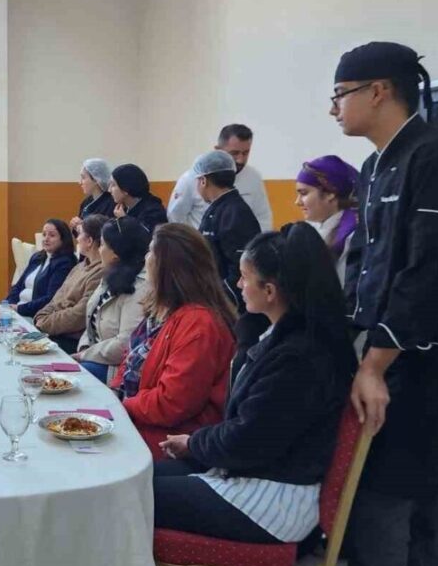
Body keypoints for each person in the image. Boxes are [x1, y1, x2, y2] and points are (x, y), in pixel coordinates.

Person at [330, 41, 438, 566]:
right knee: (419, 486)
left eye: (340, 95)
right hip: (389, 348)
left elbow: (427, 271)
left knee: (383, 491)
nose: (334, 107)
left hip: (435, 354)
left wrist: (376, 365)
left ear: (378, 91)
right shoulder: (374, 164)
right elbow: (365, 268)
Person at [154, 223, 357, 545]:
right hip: (253, 474)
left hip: (273, 500)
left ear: (270, 291)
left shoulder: (299, 358)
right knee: (145, 475)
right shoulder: (281, 336)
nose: (238, 284)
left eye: (244, 277)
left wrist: (194, 443)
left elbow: (248, 439)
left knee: (134, 495)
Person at [111, 223, 236, 459]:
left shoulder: (199, 323)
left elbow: (172, 404)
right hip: (141, 420)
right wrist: (114, 394)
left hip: (172, 438)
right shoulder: (162, 307)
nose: (146, 258)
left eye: (151, 252)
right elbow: (129, 360)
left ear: (166, 266)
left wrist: (122, 405)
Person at [74, 217, 151, 384]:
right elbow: (90, 323)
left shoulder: (141, 287)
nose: (99, 250)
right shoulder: (111, 274)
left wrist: (84, 356)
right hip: (95, 358)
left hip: (120, 369)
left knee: (72, 378)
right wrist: (83, 349)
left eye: (102, 244)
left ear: (116, 253)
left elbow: (126, 344)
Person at [167, 124, 274, 231]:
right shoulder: (192, 178)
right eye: (234, 153)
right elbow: (175, 216)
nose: (240, 160)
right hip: (200, 244)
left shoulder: (253, 177)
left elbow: (263, 217)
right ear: (218, 150)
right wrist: (192, 242)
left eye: (246, 153)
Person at [194, 150, 262, 313]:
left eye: (197, 180)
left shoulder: (235, 213)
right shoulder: (219, 209)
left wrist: (222, 300)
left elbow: (240, 267)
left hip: (230, 305)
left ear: (203, 181)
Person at [34, 214, 108, 353]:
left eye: (79, 234)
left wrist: (44, 322)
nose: (77, 239)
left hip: (71, 342)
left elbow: (79, 315)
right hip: (52, 330)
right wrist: (41, 317)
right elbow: (56, 300)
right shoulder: (79, 267)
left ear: (90, 241)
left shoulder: (100, 273)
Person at [295, 155, 360, 283]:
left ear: (330, 193)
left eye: (304, 193)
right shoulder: (311, 229)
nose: (297, 202)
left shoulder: (351, 237)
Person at [5, 219, 78, 317]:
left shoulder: (65, 263)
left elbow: (51, 299)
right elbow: (18, 286)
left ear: (63, 239)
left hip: (37, 316)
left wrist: (19, 309)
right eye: (44, 234)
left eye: (52, 235)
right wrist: (7, 305)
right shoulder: (37, 257)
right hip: (17, 311)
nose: (46, 239)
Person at [109, 163, 168, 232]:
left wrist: (125, 220)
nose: (109, 190)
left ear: (125, 188)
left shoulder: (153, 211)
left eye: (113, 185)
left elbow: (146, 238)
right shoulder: (122, 208)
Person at [69, 158, 114, 235]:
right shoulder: (86, 202)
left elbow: (107, 234)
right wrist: (75, 225)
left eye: (83, 178)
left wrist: (84, 226)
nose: (80, 182)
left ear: (96, 179)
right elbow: (79, 234)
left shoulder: (112, 203)